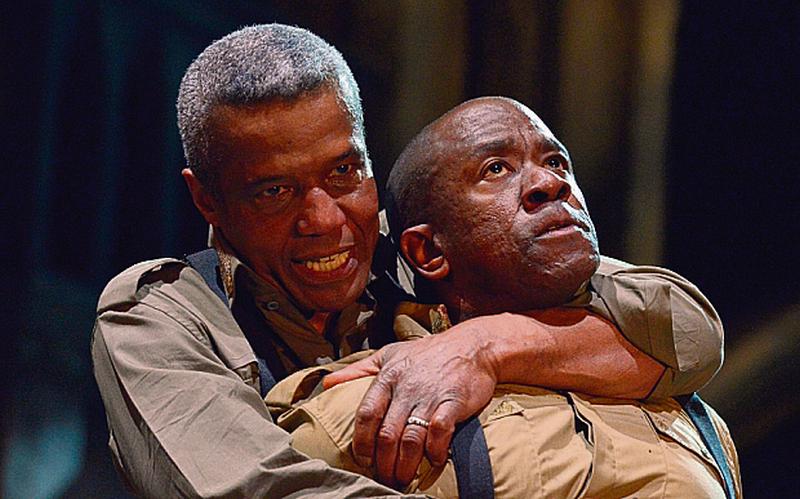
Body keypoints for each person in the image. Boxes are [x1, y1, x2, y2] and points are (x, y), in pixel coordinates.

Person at [91, 25, 723, 497]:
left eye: (344, 173)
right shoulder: (156, 315)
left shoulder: (422, 245)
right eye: (274, 193)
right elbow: (258, 491)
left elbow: (684, 329)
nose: (325, 221)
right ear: (207, 198)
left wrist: (487, 345)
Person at [271, 96, 741, 497]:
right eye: (496, 169)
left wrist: (486, 345)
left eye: (556, 162)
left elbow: (689, 323)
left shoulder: (675, 393)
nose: (550, 183)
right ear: (430, 250)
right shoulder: (364, 410)